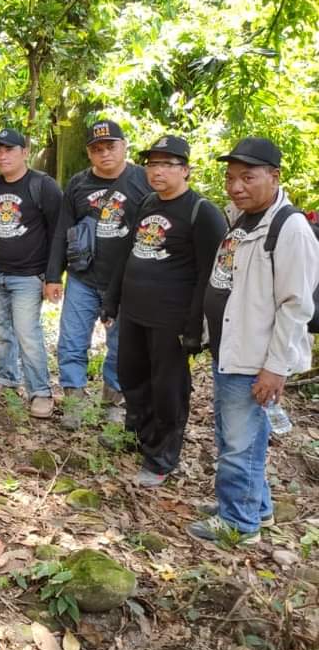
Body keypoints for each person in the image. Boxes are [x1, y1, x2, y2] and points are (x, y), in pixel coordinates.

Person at [188, 138, 319, 543]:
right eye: (230, 178)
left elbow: (296, 305)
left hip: (254, 358)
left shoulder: (289, 227)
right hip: (230, 349)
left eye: (248, 177)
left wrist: (275, 368)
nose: (236, 186)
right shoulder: (241, 217)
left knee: (240, 442)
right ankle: (252, 506)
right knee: (234, 436)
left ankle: (239, 523)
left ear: (274, 176)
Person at [102, 135, 224, 487]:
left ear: (185, 170)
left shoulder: (202, 212)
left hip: (171, 319)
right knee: (131, 376)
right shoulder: (147, 203)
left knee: (168, 388)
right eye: (152, 164)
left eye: (167, 164)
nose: (157, 171)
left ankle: (161, 456)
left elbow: (210, 274)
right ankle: (137, 435)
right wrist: (111, 298)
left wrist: (193, 325)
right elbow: (127, 252)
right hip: (135, 313)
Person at [46, 119, 152, 427]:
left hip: (124, 282)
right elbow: (62, 230)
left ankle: (113, 403)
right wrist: (54, 275)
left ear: (124, 147)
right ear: (89, 153)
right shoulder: (79, 184)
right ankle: (74, 399)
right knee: (72, 340)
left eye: (110, 147)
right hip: (83, 276)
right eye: (97, 149)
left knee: (120, 345)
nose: (104, 154)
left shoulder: (142, 181)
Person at [0, 128, 63, 419]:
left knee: (27, 333)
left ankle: (40, 391)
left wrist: (53, 276)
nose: (2, 156)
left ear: (24, 152)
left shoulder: (42, 186)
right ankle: (6, 378)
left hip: (29, 276)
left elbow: (59, 234)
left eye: (9, 150)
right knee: (1, 329)